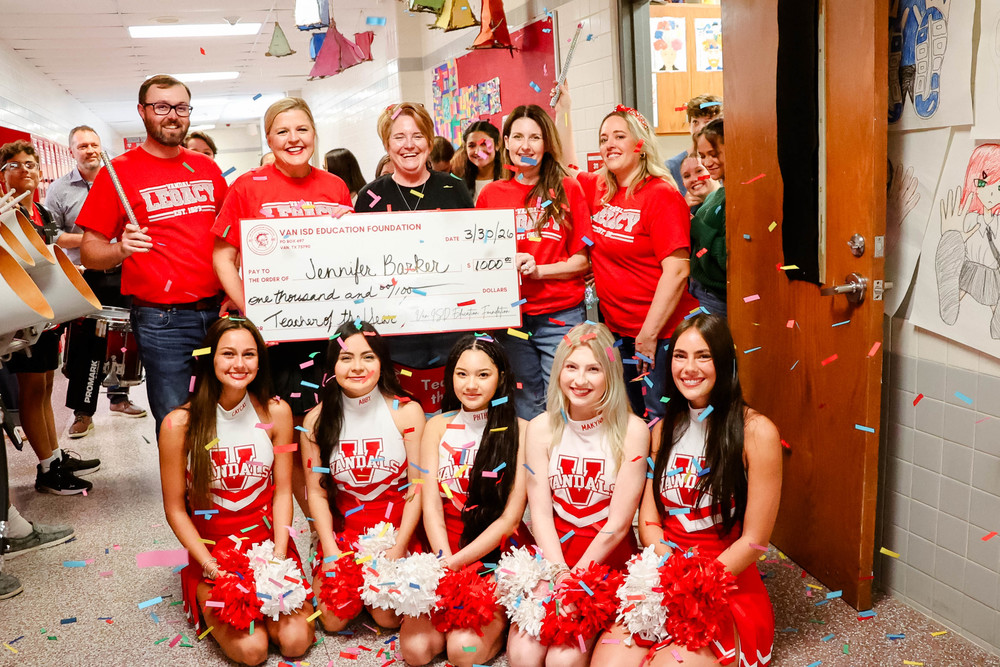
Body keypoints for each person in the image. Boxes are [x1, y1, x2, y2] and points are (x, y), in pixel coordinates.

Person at [592, 313, 780, 667]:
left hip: (726, 584)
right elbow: (649, 521)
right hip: (665, 574)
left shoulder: (756, 431)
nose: (689, 368)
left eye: (703, 356)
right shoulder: (662, 430)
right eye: (680, 356)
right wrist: (667, 570)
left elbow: (755, 540)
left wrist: (696, 584)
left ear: (724, 362)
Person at [212, 97, 353, 521]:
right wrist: (251, 310)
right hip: (268, 335)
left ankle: (323, 520)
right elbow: (222, 256)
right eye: (282, 132)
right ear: (269, 138)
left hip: (321, 332)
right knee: (280, 432)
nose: (294, 139)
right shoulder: (248, 186)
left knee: (319, 425)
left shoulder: (335, 187)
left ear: (314, 134)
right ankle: (294, 522)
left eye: (302, 130)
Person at [78, 74, 229, 434]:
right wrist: (120, 248)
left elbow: (231, 237)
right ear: (143, 112)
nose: (172, 116)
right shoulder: (117, 172)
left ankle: (222, 491)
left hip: (218, 313)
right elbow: (89, 252)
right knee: (177, 424)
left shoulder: (206, 168)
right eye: (161, 107)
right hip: (163, 323)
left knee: (223, 421)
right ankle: (182, 493)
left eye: (181, 107)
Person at [159, 316, 314, 665]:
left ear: (260, 359)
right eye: (228, 354)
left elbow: (282, 492)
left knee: (295, 641)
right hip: (213, 558)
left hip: (270, 550)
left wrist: (278, 556)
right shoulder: (177, 425)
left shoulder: (278, 412)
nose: (240, 365)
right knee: (252, 650)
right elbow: (175, 509)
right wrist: (212, 568)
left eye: (249, 354)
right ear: (209, 358)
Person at [507, 323, 649, 667]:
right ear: (558, 371)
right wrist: (558, 573)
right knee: (523, 658)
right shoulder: (540, 427)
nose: (579, 380)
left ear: (610, 374)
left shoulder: (634, 430)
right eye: (571, 367)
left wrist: (576, 578)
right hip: (554, 554)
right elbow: (539, 512)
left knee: (562, 662)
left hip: (604, 561)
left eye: (593, 369)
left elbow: (617, 524)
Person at [555, 84, 699, 420]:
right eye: (604, 139)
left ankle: (663, 474)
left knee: (660, 418)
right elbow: (568, 165)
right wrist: (565, 109)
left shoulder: (661, 194)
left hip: (661, 332)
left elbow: (677, 271)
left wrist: (648, 336)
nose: (609, 145)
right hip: (617, 330)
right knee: (630, 415)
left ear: (640, 144)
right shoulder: (599, 188)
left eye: (619, 136)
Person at [401, 334, 529, 667]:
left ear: (501, 376)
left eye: (483, 375)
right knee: (415, 652)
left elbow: (511, 520)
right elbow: (430, 504)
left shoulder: (523, 430)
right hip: (443, 549)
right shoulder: (437, 426)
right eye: (462, 374)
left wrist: (457, 565)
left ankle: (503, 624)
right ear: (450, 377)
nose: (471, 385)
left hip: (494, 552)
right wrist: (444, 562)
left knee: (463, 653)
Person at [300, 321, 426, 632]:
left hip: (398, 533)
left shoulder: (407, 411)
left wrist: (397, 550)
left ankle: (374, 592)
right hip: (345, 536)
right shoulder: (315, 421)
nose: (357, 367)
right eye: (346, 358)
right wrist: (330, 551)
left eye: (368, 357)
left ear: (382, 362)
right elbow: (316, 493)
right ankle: (359, 586)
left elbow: (418, 487)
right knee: (331, 619)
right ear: (332, 365)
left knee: (388, 616)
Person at [354, 103, 475, 411]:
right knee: (404, 420)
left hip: (451, 331)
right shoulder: (369, 198)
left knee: (451, 417)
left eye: (417, 136)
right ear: (386, 144)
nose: (409, 145)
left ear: (430, 142)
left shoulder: (454, 188)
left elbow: (473, 250)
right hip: (395, 337)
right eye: (399, 137)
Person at [477, 105, 591, 419]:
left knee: (567, 398)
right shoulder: (490, 195)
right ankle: (535, 467)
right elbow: (480, 258)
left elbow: (582, 261)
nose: (525, 146)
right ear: (506, 144)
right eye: (518, 137)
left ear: (546, 144)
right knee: (525, 400)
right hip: (511, 317)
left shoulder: (569, 188)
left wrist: (539, 270)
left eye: (534, 137)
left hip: (560, 313)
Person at [1, 140, 98, 495]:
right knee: (31, 390)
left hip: (49, 317)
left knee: (44, 387)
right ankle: (46, 470)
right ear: (2, 175)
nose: (24, 170)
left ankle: (55, 456)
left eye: (31, 164)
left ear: (41, 173)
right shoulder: (4, 215)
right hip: (23, 317)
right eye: (14, 165)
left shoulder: (41, 211)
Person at [46, 125, 147, 439]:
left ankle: (119, 398)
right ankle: (82, 413)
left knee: (120, 341)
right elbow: (55, 236)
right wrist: (95, 241)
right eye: (82, 146)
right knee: (86, 347)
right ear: (71, 151)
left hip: (121, 273)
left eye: (94, 145)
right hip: (84, 277)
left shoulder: (119, 181)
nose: (90, 150)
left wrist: (111, 244)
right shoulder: (59, 190)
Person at [690, 118, 727, 317]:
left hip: (717, 299)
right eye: (702, 156)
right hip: (700, 291)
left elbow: (726, 257)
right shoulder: (717, 194)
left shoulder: (739, 200)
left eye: (713, 154)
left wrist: (694, 225)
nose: (707, 163)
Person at [665, 94, 722, 197]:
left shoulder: (725, 163)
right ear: (689, 126)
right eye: (695, 122)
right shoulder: (671, 167)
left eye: (707, 122)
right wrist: (684, 205)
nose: (700, 128)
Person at [453, 120, 502, 202]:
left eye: (484, 144)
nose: (478, 152)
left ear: (497, 145)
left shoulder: (510, 178)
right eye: (472, 146)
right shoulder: (460, 185)